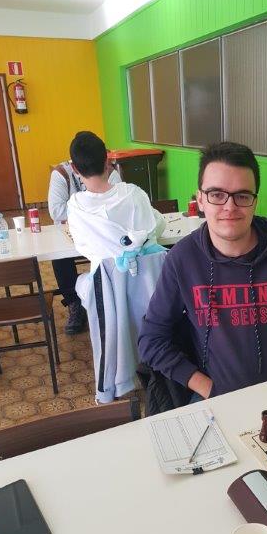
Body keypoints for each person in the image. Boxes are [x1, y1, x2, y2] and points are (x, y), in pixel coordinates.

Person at [138, 141, 267, 401]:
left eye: (242, 196)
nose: (230, 207)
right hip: (214, 398)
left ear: (255, 202)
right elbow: (152, 339)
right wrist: (209, 389)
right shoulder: (182, 259)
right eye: (216, 194)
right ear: (200, 199)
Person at [66, 131, 167, 403]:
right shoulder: (133, 194)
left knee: (87, 285)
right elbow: (155, 225)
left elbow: (83, 247)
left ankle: (116, 384)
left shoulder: (77, 207)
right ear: (108, 160)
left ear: (75, 168)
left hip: (108, 291)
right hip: (149, 286)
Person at [47, 149, 121, 335]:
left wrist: (83, 211)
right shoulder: (61, 174)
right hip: (70, 233)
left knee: (117, 249)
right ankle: (74, 303)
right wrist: (94, 210)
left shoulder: (110, 171)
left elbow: (120, 204)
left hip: (102, 233)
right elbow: (56, 211)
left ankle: (113, 297)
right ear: (74, 166)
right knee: (60, 257)